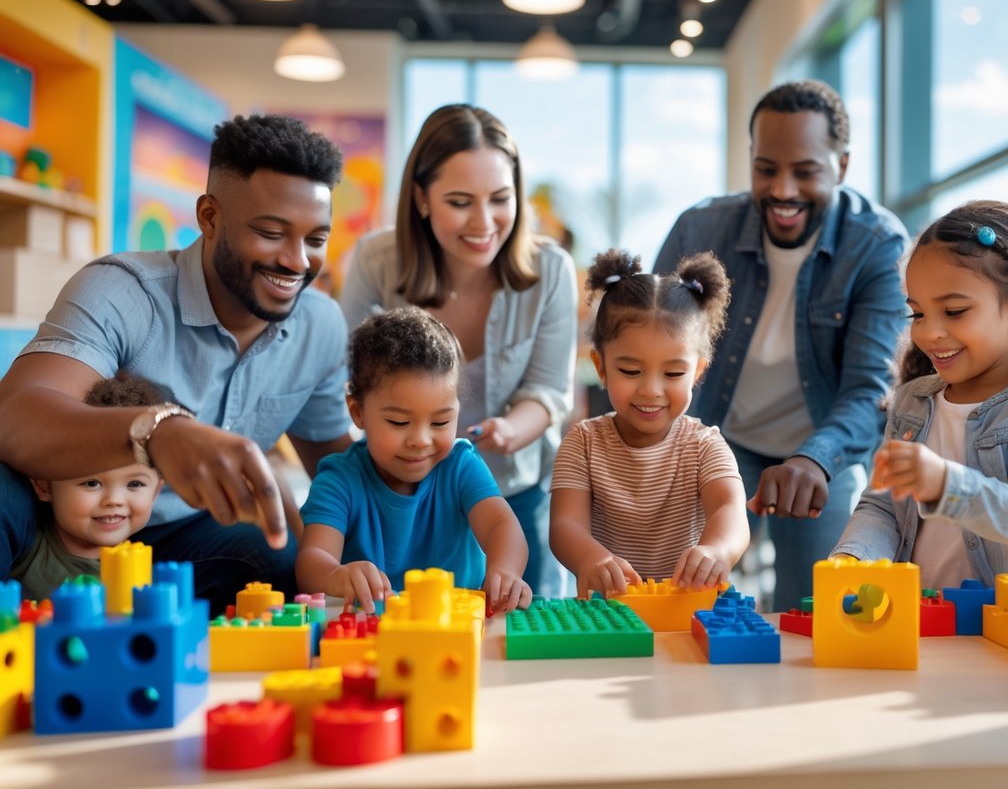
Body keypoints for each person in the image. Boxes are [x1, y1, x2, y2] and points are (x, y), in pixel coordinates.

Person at [0, 114, 353, 614]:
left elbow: (340, 470)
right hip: (61, 524)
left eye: (315, 239)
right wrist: (155, 434)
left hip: (173, 539)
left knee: (271, 555)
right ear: (209, 217)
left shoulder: (321, 324)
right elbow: (14, 414)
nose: (297, 261)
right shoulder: (122, 291)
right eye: (271, 232)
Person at [654, 80, 910, 611]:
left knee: (820, 609)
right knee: (677, 597)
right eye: (766, 169)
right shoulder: (700, 230)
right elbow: (653, 348)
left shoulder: (877, 245)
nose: (782, 190)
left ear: (842, 165)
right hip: (719, 439)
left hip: (821, 451)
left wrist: (816, 459)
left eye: (806, 172)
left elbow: (870, 390)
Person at [339, 104, 576, 599]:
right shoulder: (376, 262)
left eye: (500, 199)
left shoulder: (551, 271)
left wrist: (510, 430)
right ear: (421, 198)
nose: (484, 222)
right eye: (460, 202)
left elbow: (549, 391)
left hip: (513, 489)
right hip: (402, 497)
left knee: (524, 619)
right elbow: (344, 378)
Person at [830, 200, 1008, 600]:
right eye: (917, 314)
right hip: (929, 618)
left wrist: (947, 485)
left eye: (954, 311)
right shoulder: (911, 401)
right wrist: (854, 556)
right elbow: (883, 507)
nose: (929, 333)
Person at [296, 306, 532, 613]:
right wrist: (336, 575)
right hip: (375, 631)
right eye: (399, 422)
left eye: (440, 422)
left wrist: (505, 570)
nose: (421, 440)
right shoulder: (338, 480)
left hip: (459, 627)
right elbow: (312, 559)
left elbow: (502, 526)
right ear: (358, 412)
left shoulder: (461, 466)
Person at [549, 249, 750, 599]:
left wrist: (717, 550)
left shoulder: (704, 445)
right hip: (610, 613)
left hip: (686, 609)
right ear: (601, 366)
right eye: (630, 371)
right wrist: (590, 558)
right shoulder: (583, 443)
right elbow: (565, 524)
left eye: (673, 373)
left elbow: (729, 509)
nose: (651, 390)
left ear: (697, 372)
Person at [11, 375, 165, 599]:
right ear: (44, 486)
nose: (114, 500)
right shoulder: (22, 551)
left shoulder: (147, 573)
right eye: (92, 483)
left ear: (155, 492)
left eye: (135, 484)